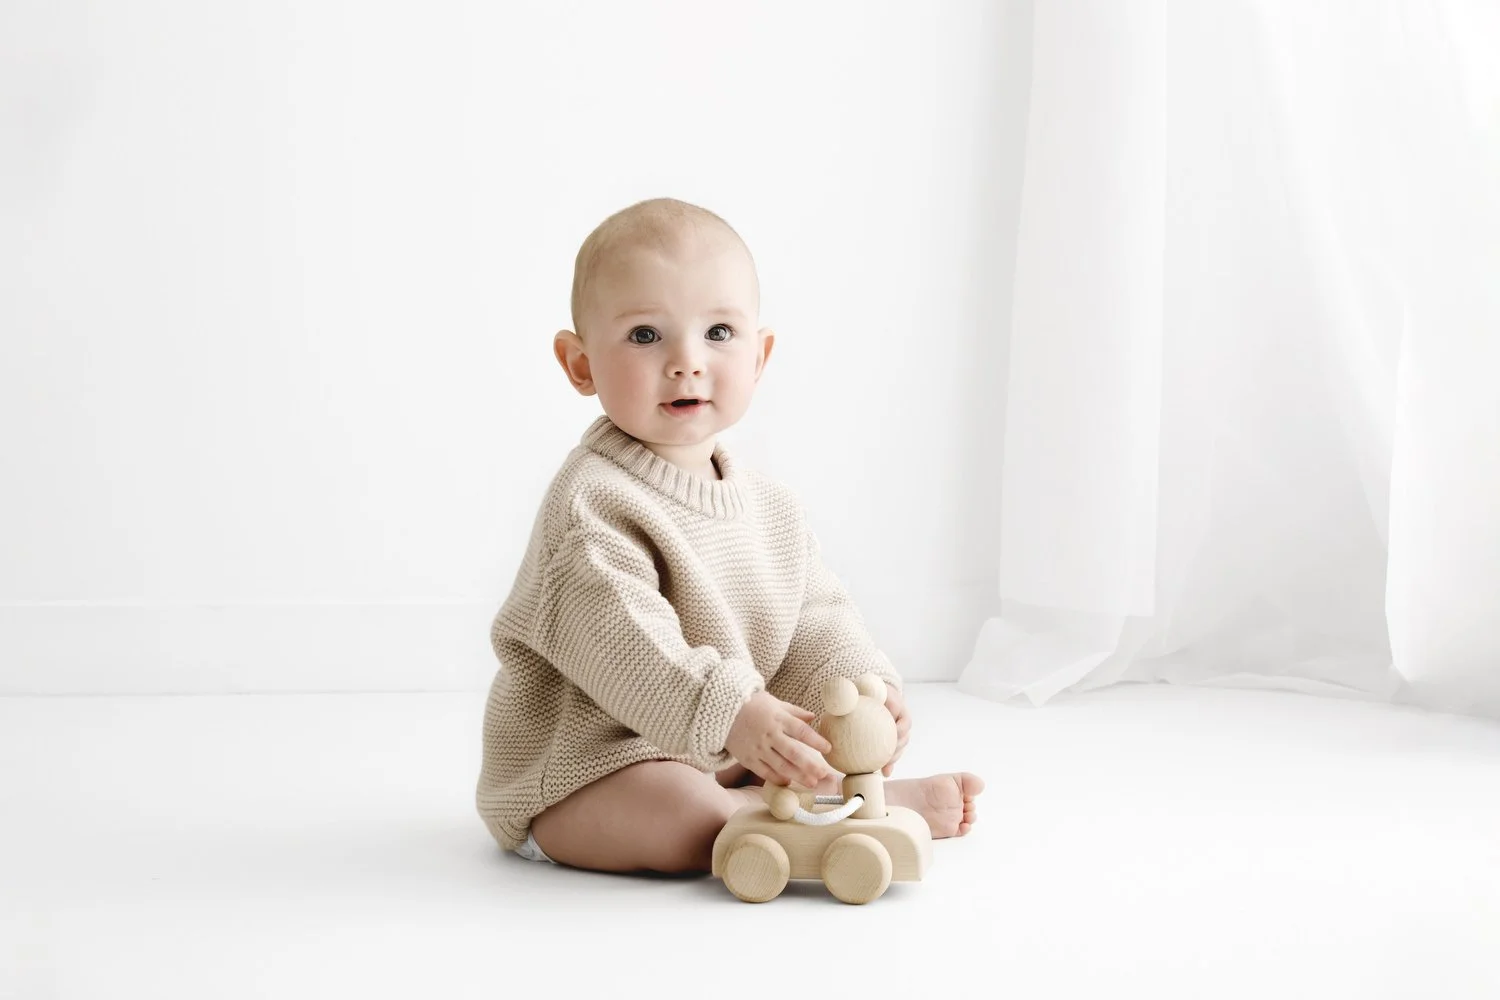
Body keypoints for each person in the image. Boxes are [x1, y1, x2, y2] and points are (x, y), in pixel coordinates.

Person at [477, 197, 983, 874]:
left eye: (718, 333)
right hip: (586, 771)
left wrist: (858, 687)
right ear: (581, 365)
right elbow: (629, 645)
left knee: (778, 763)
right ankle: (825, 821)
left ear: (759, 355)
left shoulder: (767, 506)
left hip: (720, 751)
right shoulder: (591, 507)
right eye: (646, 336)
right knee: (685, 816)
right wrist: (737, 714)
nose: (687, 361)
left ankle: (834, 802)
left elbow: (812, 613)